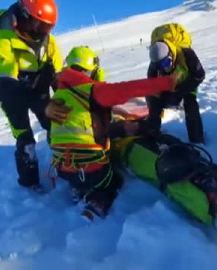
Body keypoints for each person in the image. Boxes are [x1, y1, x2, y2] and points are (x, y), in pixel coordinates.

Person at [45, 46, 180, 220]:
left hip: (63, 169)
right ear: (91, 71)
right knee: (113, 181)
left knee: (80, 172)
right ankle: (96, 204)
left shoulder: (58, 97)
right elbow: (129, 89)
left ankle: (78, 189)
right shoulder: (93, 91)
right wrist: (167, 82)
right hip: (92, 170)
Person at [111, 133, 217, 230]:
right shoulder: (115, 139)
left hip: (147, 149)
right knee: (179, 174)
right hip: (135, 153)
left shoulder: (133, 131)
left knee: (195, 168)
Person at [0, 0, 62, 191]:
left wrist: (66, 94)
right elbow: (5, 84)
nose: (44, 31)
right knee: (25, 139)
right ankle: (30, 185)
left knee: (55, 125)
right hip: (11, 94)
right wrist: (43, 104)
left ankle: (63, 165)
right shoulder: (5, 41)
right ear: (26, 16)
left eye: (49, 26)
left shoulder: (48, 41)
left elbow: (58, 74)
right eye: (41, 24)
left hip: (38, 90)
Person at [146, 39, 206, 144]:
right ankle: (152, 132)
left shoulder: (187, 54)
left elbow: (199, 75)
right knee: (152, 97)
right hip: (169, 84)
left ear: (170, 54)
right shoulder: (156, 61)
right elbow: (151, 80)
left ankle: (197, 139)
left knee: (191, 106)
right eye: (160, 65)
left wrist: (179, 92)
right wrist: (158, 93)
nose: (164, 67)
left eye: (166, 62)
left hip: (187, 83)